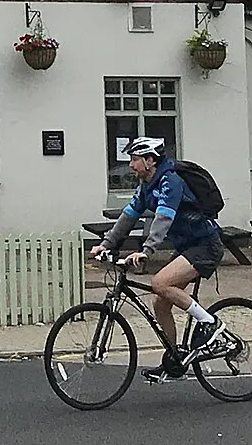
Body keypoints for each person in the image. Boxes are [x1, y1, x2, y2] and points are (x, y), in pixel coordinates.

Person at [90, 137, 227, 381]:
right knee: (160, 303)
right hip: (187, 246)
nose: (130, 165)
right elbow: (128, 217)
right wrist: (106, 244)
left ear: (150, 160)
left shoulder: (170, 181)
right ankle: (175, 359)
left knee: (160, 283)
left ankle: (209, 322)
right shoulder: (146, 185)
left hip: (205, 245)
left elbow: (163, 217)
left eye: (134, 159)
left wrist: (147, 251)